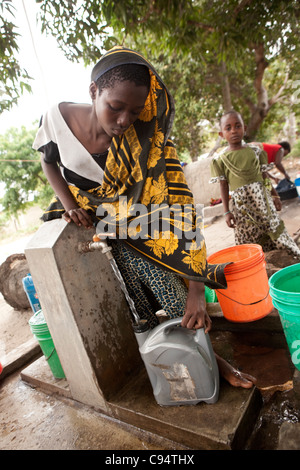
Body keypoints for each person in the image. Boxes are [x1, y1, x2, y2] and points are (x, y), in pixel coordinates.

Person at [33, 46, 256, 388]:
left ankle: (213, 360)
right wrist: (69, 204)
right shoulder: (55, 119)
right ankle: (165, 363)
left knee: (177, 296)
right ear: (93, 91)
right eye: (115, 107)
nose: (124, 121)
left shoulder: (148, 142)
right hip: (94, 225)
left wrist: (197, 288)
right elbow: (49, 159)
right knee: (135, 304)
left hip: (140, 221)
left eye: (135, 112)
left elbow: (180, 207)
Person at [210, 110, 300, 258]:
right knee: (248, 234)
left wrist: (275, 196)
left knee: (271, 227)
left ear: (244, 128)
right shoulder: (220, 160)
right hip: (242, 207)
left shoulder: (255, 151)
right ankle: (255, 262)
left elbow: (264, 176)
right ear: (221, 134)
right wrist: (226, 212)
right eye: (228, 128)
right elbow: (223, 186)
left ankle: (289, 256)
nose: (233, 131)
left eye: (237, 126)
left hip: (263, 201)